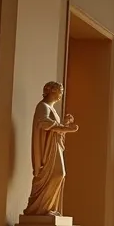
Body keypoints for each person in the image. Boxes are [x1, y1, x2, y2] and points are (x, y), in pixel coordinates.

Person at [23, 82, 79, 216]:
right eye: (60, 90)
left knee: (60, 175)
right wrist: (65, 128)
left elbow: (53, 129)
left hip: (54, 146)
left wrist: (64, 124)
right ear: (51, 91)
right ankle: (39, 209)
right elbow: (43, 122)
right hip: (48, 150)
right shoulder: (42, 106)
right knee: (57, 174)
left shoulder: (51, 108)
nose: (61, 94)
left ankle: (48, 208)